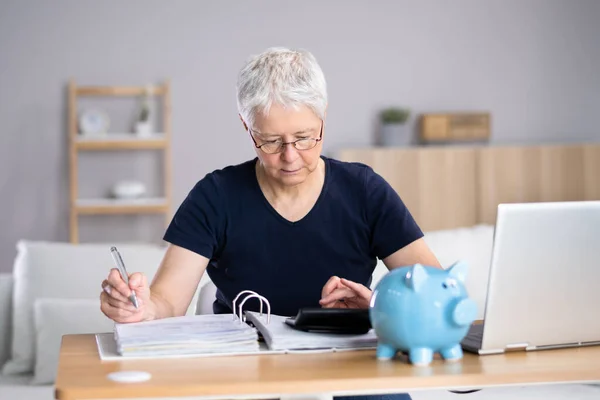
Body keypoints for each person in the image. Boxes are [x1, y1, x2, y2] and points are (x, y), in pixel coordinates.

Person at [100, 47, 441, 400]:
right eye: (271, 141)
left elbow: (435, 292)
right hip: (248, 377)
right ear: (247, 127)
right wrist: (138, 306)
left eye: (305, 137)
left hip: (350, 371)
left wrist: (378, 308)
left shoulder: (365, 191)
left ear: (323, 116)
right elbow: (167, 303)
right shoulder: (216, 197)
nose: (290, 156)